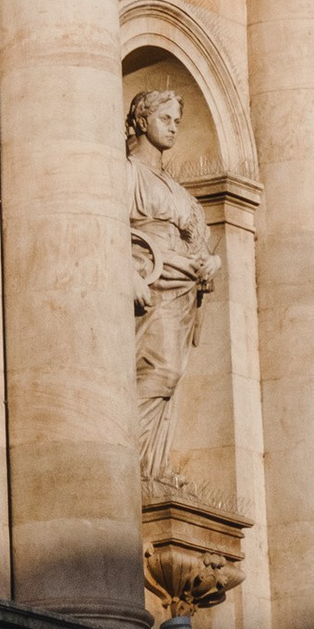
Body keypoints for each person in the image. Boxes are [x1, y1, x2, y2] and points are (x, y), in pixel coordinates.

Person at [126, 84, 220, 492]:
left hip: (183, 288)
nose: (173, 127)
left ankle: (154, 464)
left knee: (172, 376)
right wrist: (128, 274)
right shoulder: (127, 172)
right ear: (142, 120)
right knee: (159, 371)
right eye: (165, 118)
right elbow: (106, 228)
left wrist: (212, 262)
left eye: (178, 121)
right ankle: (132, 460)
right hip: (152, 280)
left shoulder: (178, 190)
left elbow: (200, 243)